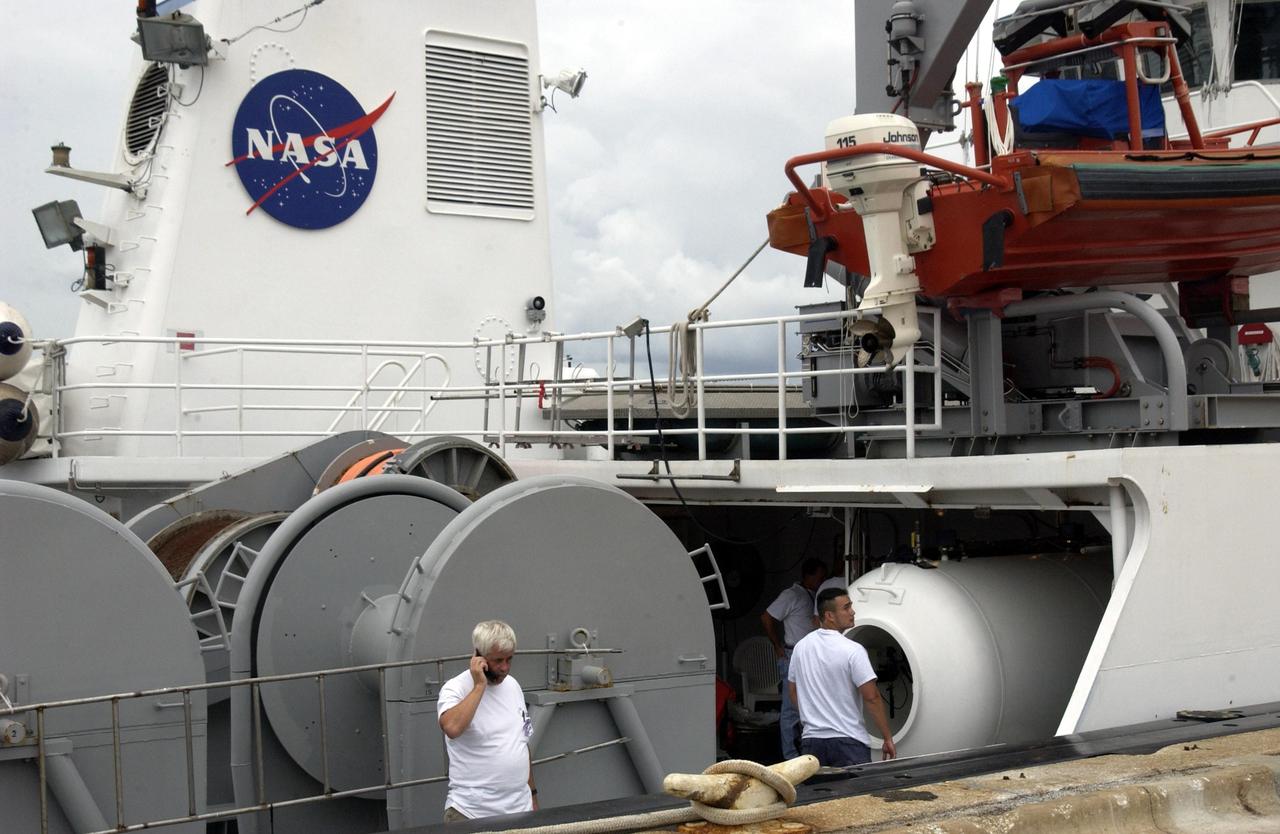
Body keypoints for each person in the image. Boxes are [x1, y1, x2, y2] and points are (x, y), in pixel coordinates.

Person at [437, 620, 538, 821]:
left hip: (520, 808)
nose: (505, 668)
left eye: (510, 659)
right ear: (478, 656)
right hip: (472, 813)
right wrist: (479, 686)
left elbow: (520, 744)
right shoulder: (455, 688)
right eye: (498, 660)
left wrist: (533, 795)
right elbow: (451, 727)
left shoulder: (513, 686)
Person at [788, 588, 896, 766]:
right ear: (829, 615)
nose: (852, 612)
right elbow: (872, 697)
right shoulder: (853, 650)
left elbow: (792, 691)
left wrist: (811, 716)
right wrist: (887, 738)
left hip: (811, 743)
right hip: (849, 743)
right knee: (857, 794)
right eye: (846, 608)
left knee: (820, 794)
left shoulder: (801, 647)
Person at [760, 557, 827, 759]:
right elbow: (766, 617)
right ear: (808, 575)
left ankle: (804, 751)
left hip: (810, 655)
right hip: (792, 654)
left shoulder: (812, 594)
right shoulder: (792, 595)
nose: (821, 581)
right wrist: (777, 645)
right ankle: (790, 755)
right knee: (790, 709)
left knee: (808, 704)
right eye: (819, 577)